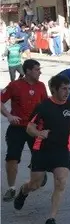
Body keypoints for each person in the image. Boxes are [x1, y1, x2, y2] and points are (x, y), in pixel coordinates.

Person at [13, 74, 70, 224]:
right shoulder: (43, 107)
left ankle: (51, 219)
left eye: (69, 89)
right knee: (35, 184)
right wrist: (39, 134)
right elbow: (30, 127)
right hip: (42, 150)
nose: (67, 92)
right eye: (64, 89)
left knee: (61, 181)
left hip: (62, 150)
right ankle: (23, 191)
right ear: (54, 89)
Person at [1, 59, 48, 201]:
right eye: (37, 69)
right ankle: (11, 188)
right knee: (12, 158)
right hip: (17, 128)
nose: (40, 72)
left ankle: (39, 172)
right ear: (28, 71)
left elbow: (46, 107)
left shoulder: (41, 86)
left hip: (34, 129)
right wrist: (9, 115)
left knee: (41, 156)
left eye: (39, 69)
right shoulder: (15, 85)